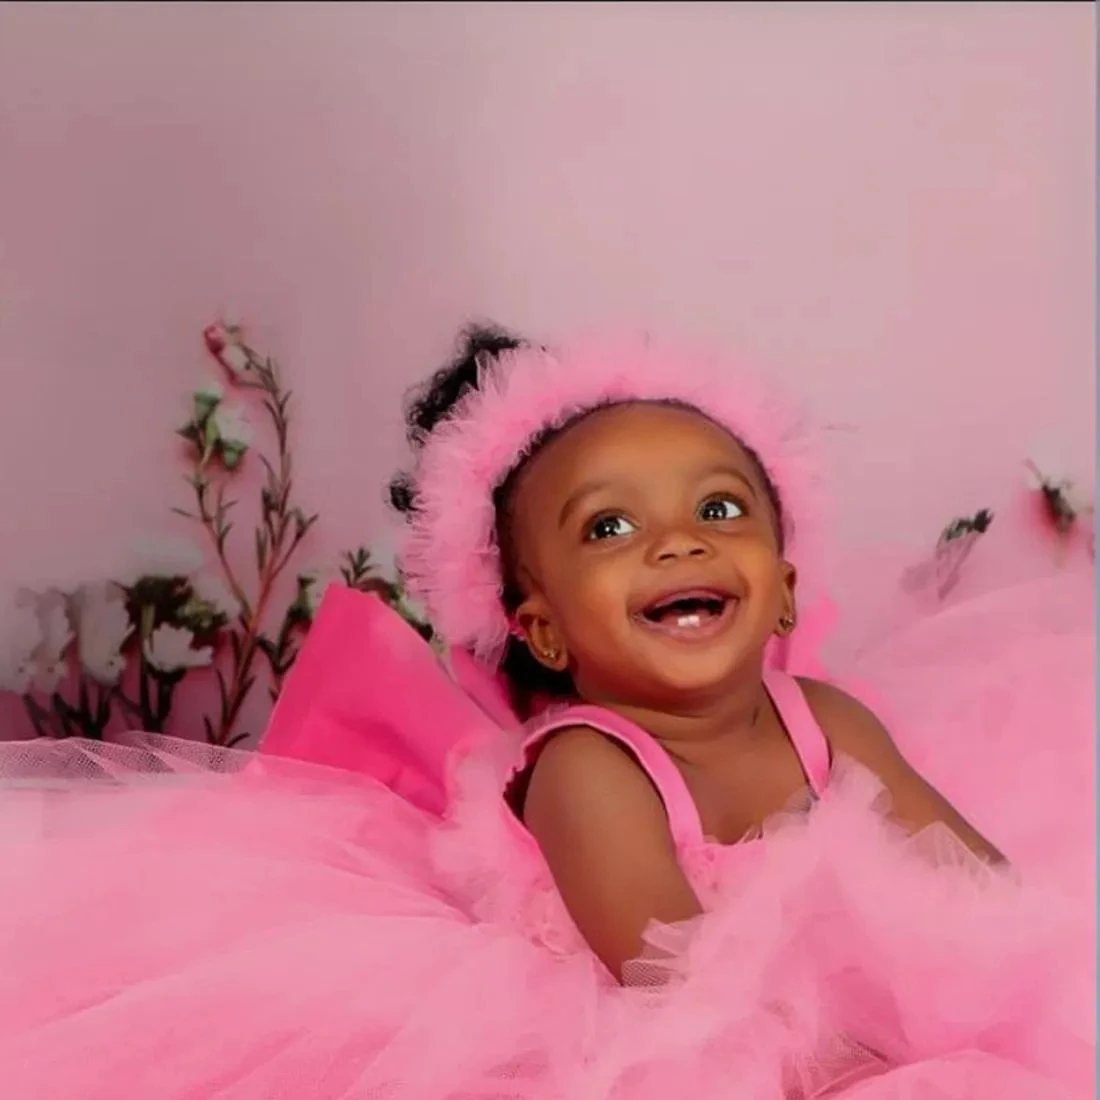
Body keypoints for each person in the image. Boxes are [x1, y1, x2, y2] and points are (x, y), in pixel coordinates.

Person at [0, 325, 1092, 1099]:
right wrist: (873, 1065)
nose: (677, 540)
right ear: (544, 630)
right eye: (608, 528)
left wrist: (1008, 986)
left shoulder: (826, 719)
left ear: (786, 584)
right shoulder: (591, 767)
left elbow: (973, 878)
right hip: (659, 1040)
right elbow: (679, 991)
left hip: (825, 1021)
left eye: (718, 507)